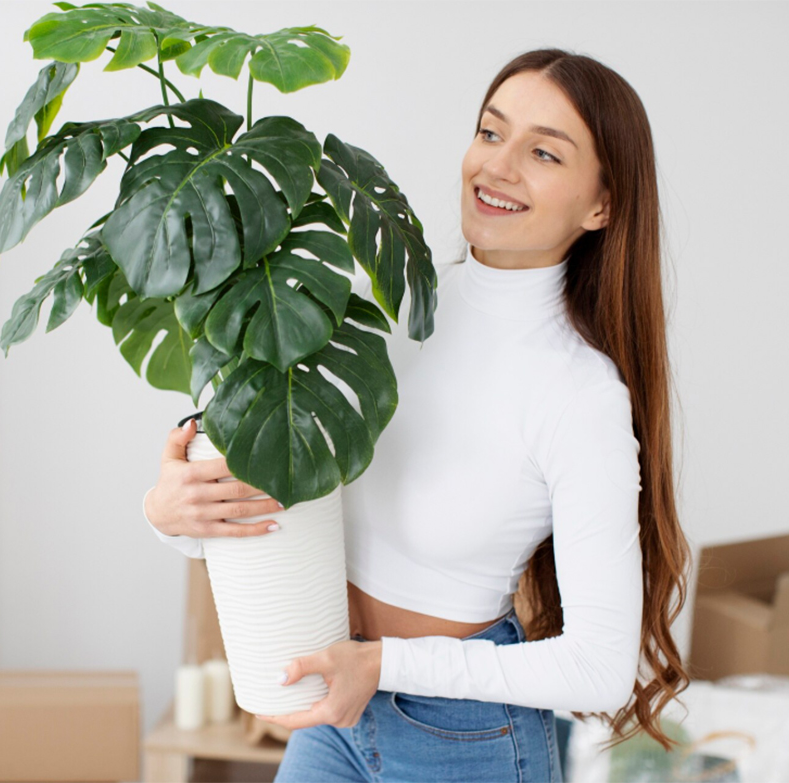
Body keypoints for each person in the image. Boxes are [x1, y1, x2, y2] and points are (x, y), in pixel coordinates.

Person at [143, 47, 691, 783]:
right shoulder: (395, 308)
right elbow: (297, 499)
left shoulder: (580, 394)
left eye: (543, 153)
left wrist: (382, 663)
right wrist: (172, 518)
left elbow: (599, 670)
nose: (497, 166)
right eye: (491, 132)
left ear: (603, 205)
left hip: (462, 741)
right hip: (339, 710)